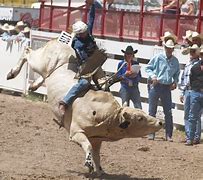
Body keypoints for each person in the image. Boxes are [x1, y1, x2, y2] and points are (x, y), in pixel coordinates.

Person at [58, 1, 102, 125]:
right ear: (79, 33)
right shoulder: (77, 43)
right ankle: (65, 102)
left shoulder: (88, 34)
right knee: (83, 82)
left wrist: (92, 6)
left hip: (94, 64)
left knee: (104, 83)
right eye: (83, 32)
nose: (86, 32)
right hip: (85, 66)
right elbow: (83, 57)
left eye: (85, 31)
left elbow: (91, 19)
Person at [145, 38, 180, 141]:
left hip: (166, 87)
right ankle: (151, 133)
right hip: (156, 85)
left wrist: (175, 82)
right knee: (152, 111)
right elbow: (148, 68)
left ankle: (169, 135)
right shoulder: (158, 57)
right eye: (168, 48)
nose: (169, 50)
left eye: (171, 48)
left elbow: (177, 74)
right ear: (165, 48)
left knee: (168, 112)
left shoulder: (175, 61)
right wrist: (153, 76)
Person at [178, 44, 200, 144]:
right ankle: (189, 136)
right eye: (190, 51)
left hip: (195, 90)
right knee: (188, 114)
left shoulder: (198, 64)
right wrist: (182, 92)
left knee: (195, 114)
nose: (191, 53)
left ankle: (195, 136)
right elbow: (183, 78)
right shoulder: (188, 64)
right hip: (188, 90)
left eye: (193, 51)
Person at [185, 46, 203, 145]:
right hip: (196, 92)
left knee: (193, 116)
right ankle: (190, 138)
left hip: (196, 92)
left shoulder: (195, 67)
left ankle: (191, 138)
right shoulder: (195, 67)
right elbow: (192, 81)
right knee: (192, 116)